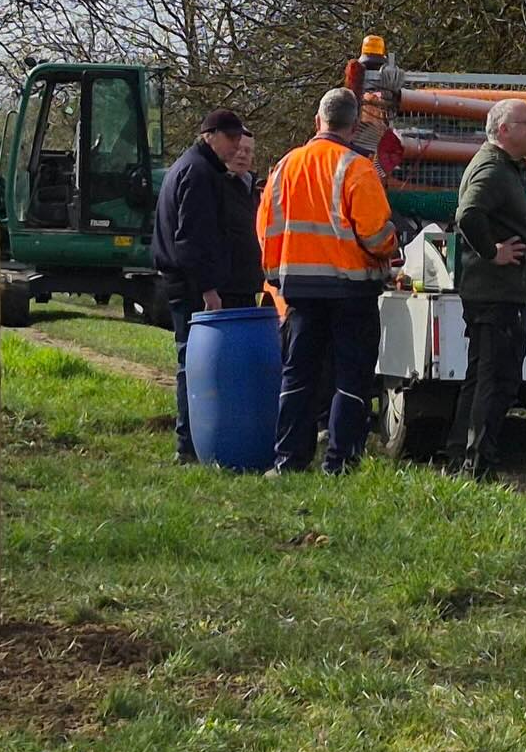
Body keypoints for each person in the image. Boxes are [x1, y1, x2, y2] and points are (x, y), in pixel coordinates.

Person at [257, 87, 398, 475]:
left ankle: (288, 460)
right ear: (354, 127)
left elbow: (265, 228)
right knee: (351, 377)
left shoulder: (285, 166)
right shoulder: (358, 168)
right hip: (351, 289)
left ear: (318, 120)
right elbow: (375, 235)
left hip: (299, 290)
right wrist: (392, 244)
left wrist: (277, 276)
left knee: (299, 375)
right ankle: (341, 461)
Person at [151, 107, 257, 464]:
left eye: (239, 138)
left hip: (184, 281)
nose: (236, 145)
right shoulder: (198, 173)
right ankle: (190, 444)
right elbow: (191, 240)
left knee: (195, 361)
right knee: (196, 364)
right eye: (230, 138)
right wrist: (209, 289)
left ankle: (198, 441)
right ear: (210, 135)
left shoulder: (191, 167)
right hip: (192, 286)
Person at [446, 98, 526, 478]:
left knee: (483, 377)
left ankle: (462, 457)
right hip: (495, 294)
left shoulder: (505, 167)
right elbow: (468, 214)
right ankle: (478, 465)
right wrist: (492, 252)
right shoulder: (492, 168)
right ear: (503, 130)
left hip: (497, 293)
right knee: (496, 379)